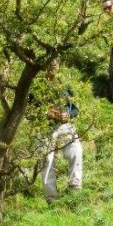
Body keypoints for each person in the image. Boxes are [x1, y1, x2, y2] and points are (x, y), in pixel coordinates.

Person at [40, 61, 83, 202]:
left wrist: (68, 114)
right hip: (44, 128)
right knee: (47, 160)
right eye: (51, 65)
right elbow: (27, 111)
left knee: (76, 150)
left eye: (56, 64)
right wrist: (45, 113)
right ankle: (51, 199)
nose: (53, 68)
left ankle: (75, 188)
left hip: (64, 126)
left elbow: (75, 109)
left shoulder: (64, 85)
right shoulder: (36, 86)